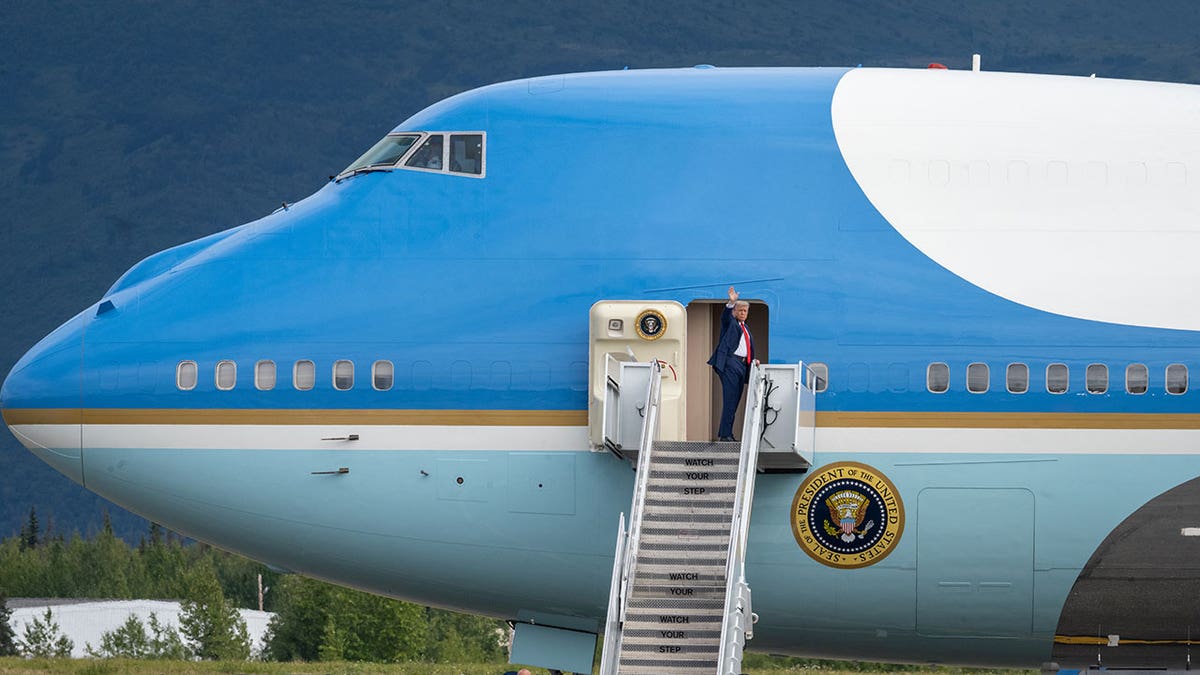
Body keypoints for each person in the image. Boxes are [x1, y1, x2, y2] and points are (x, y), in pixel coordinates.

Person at [707, 286, 755, 441]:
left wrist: (753, 361)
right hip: (731, 364)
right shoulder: (731, 323)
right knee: (730, 400)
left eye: (745, 311)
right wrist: (731, 302)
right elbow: (725, 316)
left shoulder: (745, 327)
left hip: (742, 365)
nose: (743, 313)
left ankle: (727, 433)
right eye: (740, 310)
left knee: (735, 401)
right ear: (734, 311)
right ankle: (725, 435)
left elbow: (746, 348)